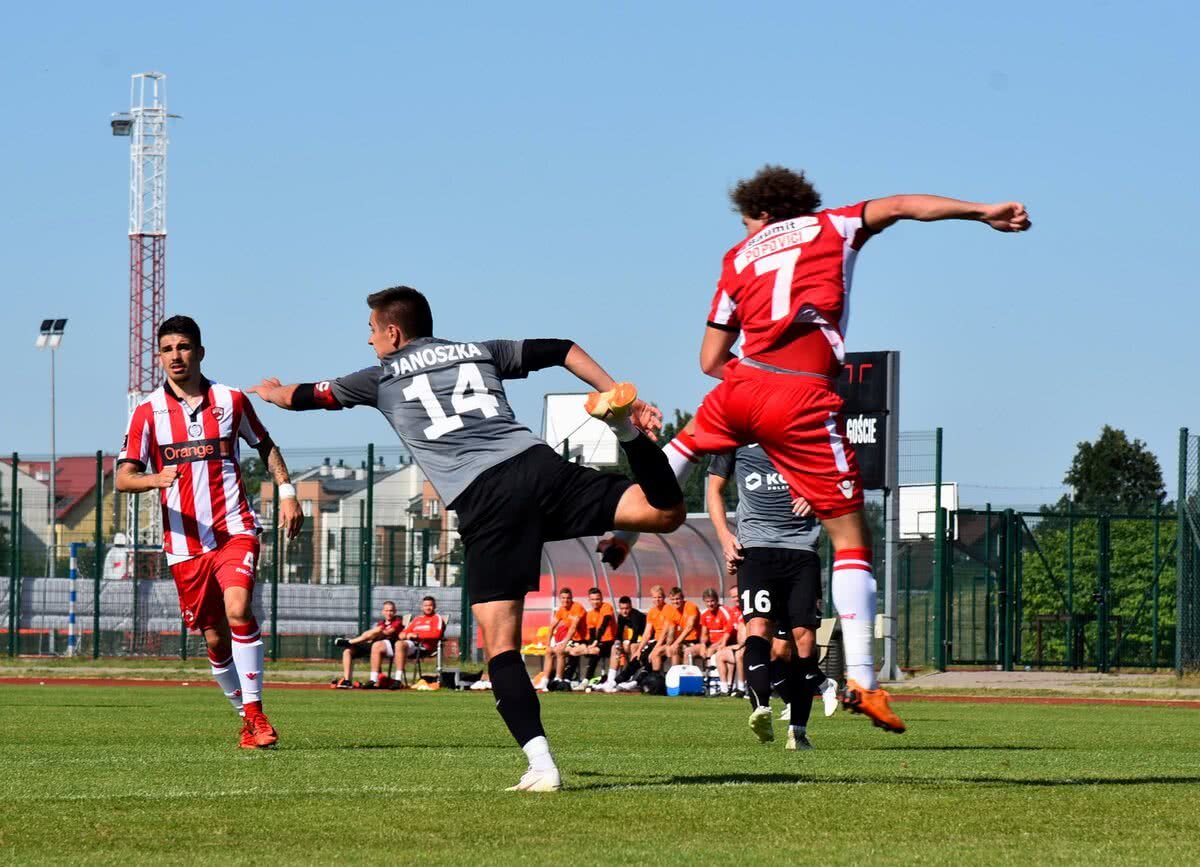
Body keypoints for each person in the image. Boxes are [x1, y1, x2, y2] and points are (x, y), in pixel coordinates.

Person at [622, 167, 1030, 732]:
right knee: (850, 536)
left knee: (682, 447)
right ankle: (863, 679)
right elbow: (906, 203)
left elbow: (710, 360)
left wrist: (751, 377)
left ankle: (622, 528)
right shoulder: (832, 226)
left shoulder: (737, 259)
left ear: (761, 212)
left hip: (741, 386)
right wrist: (982, 210)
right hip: (800, 392)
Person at [248, 286, 684, 791]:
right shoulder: (481, 350)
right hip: (537, 467)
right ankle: (626, 433)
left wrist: (271, 392)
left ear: (393, 332)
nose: (368, 342)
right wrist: (614, 394)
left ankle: (542, 765)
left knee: (501, 646)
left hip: (486, 499)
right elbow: (563, 347)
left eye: (370, 331)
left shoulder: (381, 376)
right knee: (665, 512)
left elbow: (305, 399)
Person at [115, 315, 303, 749]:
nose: (175, 356)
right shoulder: (147, 413)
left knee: (239, 608)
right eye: (167, 349)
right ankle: (246, 718)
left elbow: (266, 445)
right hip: (184, 543)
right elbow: (124, 478)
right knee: (215, 637)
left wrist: (288, 493)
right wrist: (153, 480)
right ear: (159, 358)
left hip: (235, 528)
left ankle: (256, 715)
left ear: (199, 352)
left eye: (183, 347)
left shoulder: (231, 400)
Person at [709, 443, 838, 749]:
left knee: (803, 638)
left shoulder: (804, 433)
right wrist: (726, 537)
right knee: (758, 629)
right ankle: (761, 707)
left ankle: (799, 732)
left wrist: (817, 495)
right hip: (756, 549)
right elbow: (713, 489)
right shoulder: (735, 437)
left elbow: (838, 481)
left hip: (801, 550)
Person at [332, 600, 404, 689]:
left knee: (377, 631)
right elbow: (373, 637)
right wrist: (372, 636)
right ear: (382, 612)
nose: (389, 613)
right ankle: (347, 681)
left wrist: (377, 632)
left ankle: (350, 641)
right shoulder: (381, 623)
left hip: (388, 646)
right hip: (375, 644)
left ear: (395, 612)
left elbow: (388, 632)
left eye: (391, 611)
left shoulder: (398, 621)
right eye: (386, 610)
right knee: (348, 651)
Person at [534, 588, 586, 691]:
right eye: (563, 598)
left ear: (572, 598)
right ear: (560, 599)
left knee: (559, 650)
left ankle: (558, 679)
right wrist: (548, 644)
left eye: (568, 598)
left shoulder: (577, 607)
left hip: (581, 640)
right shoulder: (561, 610)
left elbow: (573, 628)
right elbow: (551, 627)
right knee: (549, 651)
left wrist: (564, 643)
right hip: (570, 640)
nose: (566, 600)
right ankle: (544, 681)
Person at [393, 595, 446, 685]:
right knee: (399, 644)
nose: (428, 608)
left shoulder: (437, 618)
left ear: (434, 607)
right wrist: (405, 635)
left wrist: (417, 635)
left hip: (425, 647)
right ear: (422, 607)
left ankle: (398, 680)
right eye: (425, 605)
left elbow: (436, 634)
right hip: (412, 645)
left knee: (400, 645)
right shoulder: (417, 619)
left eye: (430, 605)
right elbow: (402, 634)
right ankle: (397, 679)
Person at [567, 588, 616, 685]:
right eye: (593, 599)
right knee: (573, 651)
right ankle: (567, 679)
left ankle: (587, 680)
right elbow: (592, 634)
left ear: (602, 598)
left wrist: (595, 643)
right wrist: (589, 645)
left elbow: (604, 625)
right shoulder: (590, 614)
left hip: (610, 642)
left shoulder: (607, 607)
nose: (595, 602)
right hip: (598, 643)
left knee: (595, 650)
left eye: (597, 599)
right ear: (589, 600)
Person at [597, 595, 646, 692]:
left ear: (631, 606)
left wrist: (627, 643)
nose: (624, 611)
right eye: (622, 608)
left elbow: (636, 633)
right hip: (635, 640)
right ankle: (611, 680)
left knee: (633, 646)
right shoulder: (621, 617)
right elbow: (619, 633)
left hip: (645, 640)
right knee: (615, 648)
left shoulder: (636, 616)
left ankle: (630, 679)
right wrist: (618, 642)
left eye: (627, 608)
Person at [653, 587, 702, 668]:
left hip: (694, 640)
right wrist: (667, 645)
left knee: (675, 649)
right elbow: (670, 631)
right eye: (672, 600)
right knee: (657, 652)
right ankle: (657, 677)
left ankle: (677, 674)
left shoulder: (690, 606)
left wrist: (675, 644)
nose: (675, 602)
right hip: (681, 641)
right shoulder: (672, 610)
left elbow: (689, 627)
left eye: (677, 599)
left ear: (682, 598)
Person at [696, 587, 733, 688]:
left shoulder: (724, 611)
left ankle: (712, 682)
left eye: (712, 601)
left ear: (717, 600)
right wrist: (703, 644)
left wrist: (715, 645)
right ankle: (693, 682)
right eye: (707, 601)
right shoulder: (704, 614)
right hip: (710, 644)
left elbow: (728, 633)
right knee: (688, 652)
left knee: (710, 652)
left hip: (724, 643)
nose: (710, 604)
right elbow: (704, 634)